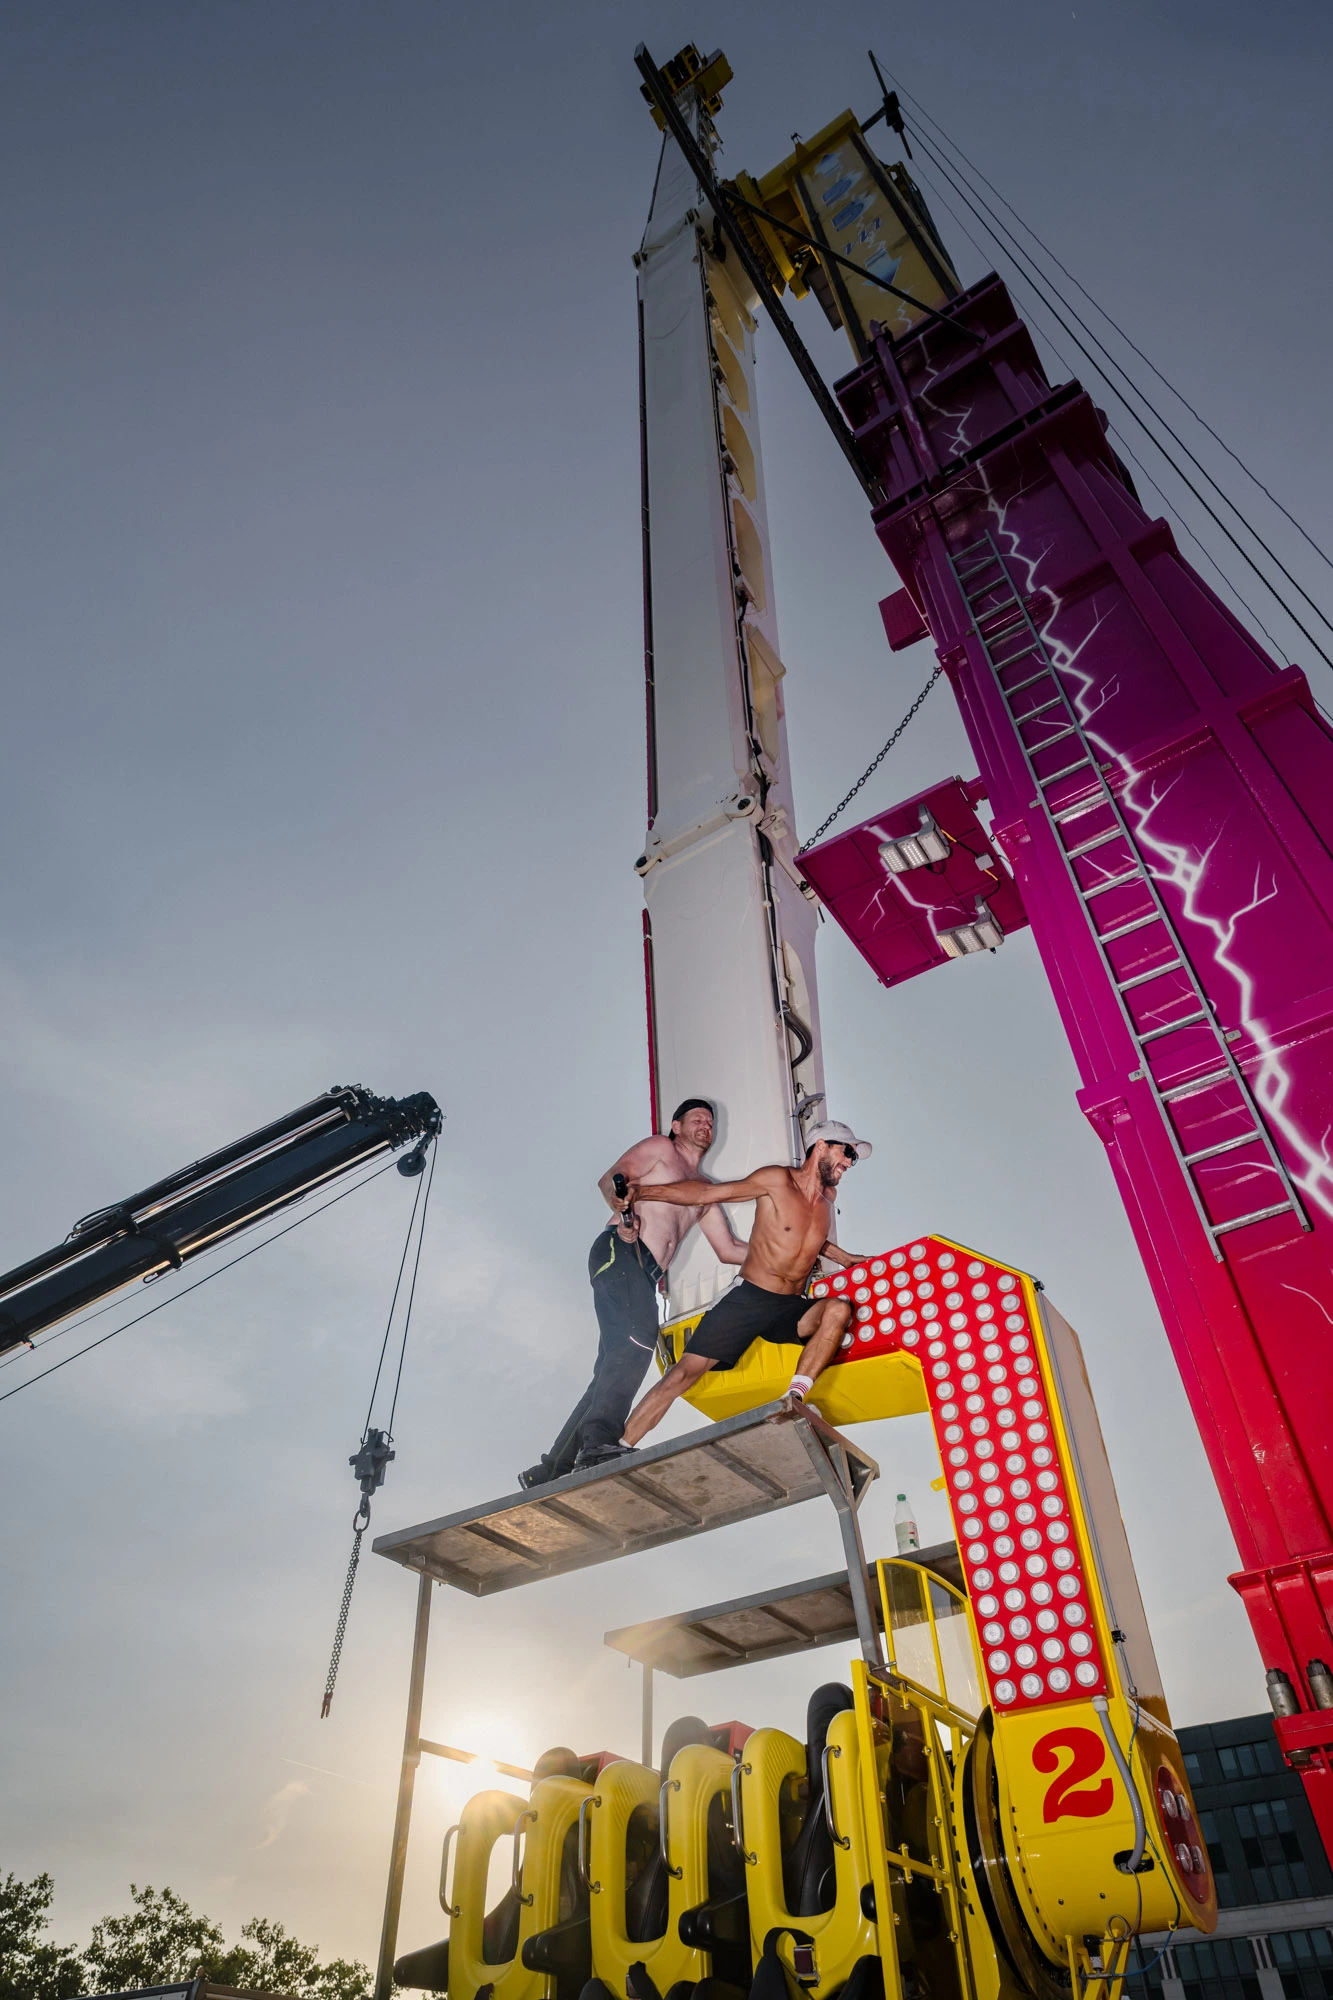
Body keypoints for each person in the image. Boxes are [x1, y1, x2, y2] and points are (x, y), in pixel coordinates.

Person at [609, 1121, 872, 1456]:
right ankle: (619, 1446)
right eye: (847, 1152)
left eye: (854, 1158)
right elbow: (705, 1195)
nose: (849, 1162)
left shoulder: (826, 1200)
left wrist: (847, 1258)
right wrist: (642, 1192)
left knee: (838, 1309)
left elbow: (810, 1239)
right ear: (821, 1145)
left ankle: (794, 1398)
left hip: (790, 1307)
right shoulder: (777, 1180)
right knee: (684, 1374)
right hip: (748, 1297)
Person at [518, 1099, 747, 1485]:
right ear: (677, 1126)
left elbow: (729, 1250)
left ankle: (551, 1470)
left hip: (646, 1273)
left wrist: (787, 1256)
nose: (705, 1124)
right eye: (697, 1118)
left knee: (612, 1366)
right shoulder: (661, 1149)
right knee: (636, 1343)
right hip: (620, 1250)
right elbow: (612, 1179)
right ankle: (597, 1446)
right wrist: (620, 1204)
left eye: (710, 1121)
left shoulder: (703, 1191)